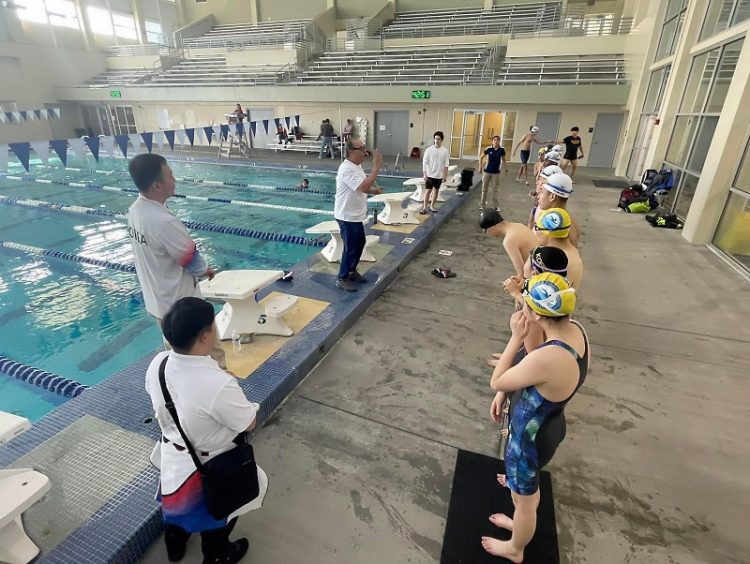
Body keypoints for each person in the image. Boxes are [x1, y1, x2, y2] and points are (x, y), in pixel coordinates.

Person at [145, 297, 265, 564]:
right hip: (210, 466)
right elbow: (248, 423)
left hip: (172, 457)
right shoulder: (217, 384)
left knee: (174, 507)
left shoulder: (159, 364)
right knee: (220, 513)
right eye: (214, 324)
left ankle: (174, 547)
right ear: (204, 337)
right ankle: (218, 554)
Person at [483, 273, 589, 562]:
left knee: (526, 502)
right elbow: (533, 362)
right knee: (525, 489)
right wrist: (525, 302)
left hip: (529, 442)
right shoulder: (575, 331)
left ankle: (515, 548)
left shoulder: (550, 358)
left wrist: (515, 335)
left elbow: (498, 380)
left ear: (534, 313)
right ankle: (518, 515)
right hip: (549, 427)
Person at [127, 153, 227, 370]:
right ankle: (223, 396)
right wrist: (205, 270)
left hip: (160, 303)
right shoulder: (164, 222)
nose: (175, 179)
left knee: (179, 361)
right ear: (156, 186)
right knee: (213, 358)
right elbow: (192, 261)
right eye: (170, 175)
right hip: (184, 307)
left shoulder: (135, 211)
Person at [334, 139, 383, 292]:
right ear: (350, 152)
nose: (365, 151)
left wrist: (374, 190)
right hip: (346, 215)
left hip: (355, 215)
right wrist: (376, 167)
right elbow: (362, 186)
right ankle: (342, 278)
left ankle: (351, 271)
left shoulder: (357, 167)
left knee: (360, 243)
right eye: (361, 148)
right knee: (350, 248)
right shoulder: (346, 169)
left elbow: (363, 186)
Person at [479, 209, 538, 278]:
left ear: (491, 228)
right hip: (542, 267)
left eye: (485, 230)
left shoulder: (509, 240)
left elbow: (522, 273)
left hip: (535, 275)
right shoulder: (519, 225)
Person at [534, 208, 583, 288]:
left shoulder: (562, 262)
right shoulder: (568, 252)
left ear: (547, 233)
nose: (534, 232)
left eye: (536, 227)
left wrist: (516, 292)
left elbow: (545, 299)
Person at [536, 172, 581, 247]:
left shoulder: (555, 226)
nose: (538, 196)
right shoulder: (568, 221)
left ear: (552, 196)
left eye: (542, 192)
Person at [421, 131, 450, 214]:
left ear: (442, 140)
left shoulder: (445, 151)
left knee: (436, 191)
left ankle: (432, 206)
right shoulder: (429, 150)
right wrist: (424, 174)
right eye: (435, 139)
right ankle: (424, 207)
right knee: (427, 191)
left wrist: (445, 176)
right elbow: (424, 162)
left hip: (439, 176)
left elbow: (446, 165)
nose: (436, 141)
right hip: (430, 175)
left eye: (438, 139)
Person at [528, 164, 563, 230]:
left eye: (540, 180)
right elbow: (530, 222)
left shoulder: (551, 218)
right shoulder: (541, 202)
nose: (537, 183)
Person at [478, 135, 508, 211]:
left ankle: (496, 206)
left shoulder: (501, 150)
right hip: (487, 172)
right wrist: (480, 167)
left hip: (496, 173)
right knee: (484, 189)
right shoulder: (488, 149)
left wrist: (506, 169)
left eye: (497, 140)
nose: (496, 141)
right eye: (494, 140)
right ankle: (482, 205)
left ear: (499, 141)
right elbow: (481, 157)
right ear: (492, 141)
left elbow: (504, 160)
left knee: (495, 190)